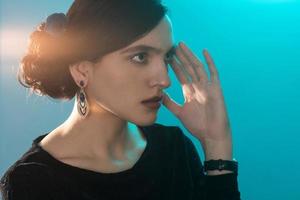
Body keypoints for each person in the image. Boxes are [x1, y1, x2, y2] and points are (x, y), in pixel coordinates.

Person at [0, 0, 241, 199]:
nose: (164, 80)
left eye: (166, 57)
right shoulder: (32, 182)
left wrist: (216, 143)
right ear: (82, 70)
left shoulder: (173, 148)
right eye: (140, 57)